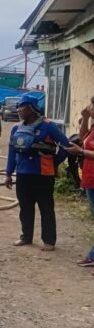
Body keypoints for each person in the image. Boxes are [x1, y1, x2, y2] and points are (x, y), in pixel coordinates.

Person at [5, 94, 69, 251]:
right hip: (23, 174)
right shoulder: (16, 128)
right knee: (25, 208)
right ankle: (26, 237)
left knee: (46, 208)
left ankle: (49, 241)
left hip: (43, 175)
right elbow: (12, 152)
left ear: (32, 108)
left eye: (23, 107)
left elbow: (66, 145)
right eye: (18, 107)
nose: (19, 110)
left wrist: (53, 163)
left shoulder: (48, 126)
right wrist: (8, 173)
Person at [65, 97, 94, 274]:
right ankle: (92, 256)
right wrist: (85, 119)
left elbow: (83, 148)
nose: (89, 107)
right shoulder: (92, 127)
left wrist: (81, 152)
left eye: (92, 105)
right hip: (90, 179)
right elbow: (82, 138)